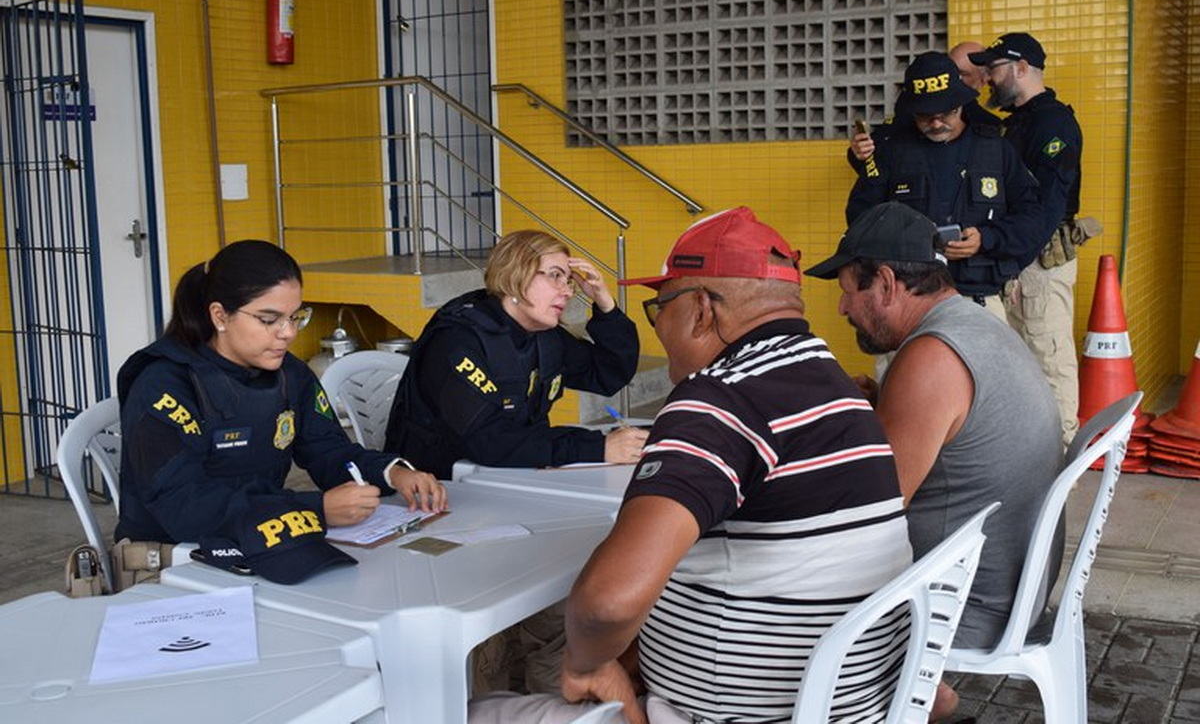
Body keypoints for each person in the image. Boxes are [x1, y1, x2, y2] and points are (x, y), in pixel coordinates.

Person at [469, 208, 913, 724]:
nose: (658, 325)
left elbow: (604, 605)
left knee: (464, 711)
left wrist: (588, 662)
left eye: (660, 307)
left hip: (735, 715)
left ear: (702, 310)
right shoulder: (835, 384)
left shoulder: (721, 400)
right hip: (850, 704)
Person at [806, 202, 1064, 664]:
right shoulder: (972, 324)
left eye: (847, 292)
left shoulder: (930, 358)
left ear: (885, 283)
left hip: (959, 606)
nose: (844, 307)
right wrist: (870, 407)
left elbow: (872, 511)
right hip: (1004, 587)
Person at [115, 240, 446, 586]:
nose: (287, 333)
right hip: (173, 559)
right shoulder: (164, 385)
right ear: (219, 315)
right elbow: (186, 507)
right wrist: (313, 511)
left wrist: (393, 473)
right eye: (269, 319)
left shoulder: (290, 375)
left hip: (261, 543)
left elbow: (328, 450)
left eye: (295, 317)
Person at [384, 230, 646, 479]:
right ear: (515, 275)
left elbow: (609, 373)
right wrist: (596, 447)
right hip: (439, 487)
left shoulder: (542, 333)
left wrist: (605, 304)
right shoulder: (458, 340)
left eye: (568, 281)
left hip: (508, 475)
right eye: (555, 276)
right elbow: (490, 441)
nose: (566, 291)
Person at [845, 50, 1043, 319]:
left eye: (946, 113)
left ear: (961, 104)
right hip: (908, 301)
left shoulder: (996, 149)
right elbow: (861, 218)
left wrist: (986, 239)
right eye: (925, 116)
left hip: (979, 299)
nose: (936, 123)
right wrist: (907, 245)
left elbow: (1032, 217)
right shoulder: (892, 151)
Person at [969, 32, 1092, 445]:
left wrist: (1005, 250)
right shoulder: (1017, 123)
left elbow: (1047, 206)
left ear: (1021, 69)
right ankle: (1030, 455)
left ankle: (1059, 460)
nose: (987, 77)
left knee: (1049, 356)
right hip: (1018, 261)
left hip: (1038, 260)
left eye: (994, 68)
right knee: (1023, 359)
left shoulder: (1053, 123)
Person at [847, 41, 1001, 179]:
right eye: (950, 70)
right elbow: (872, 158)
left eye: (962, 74)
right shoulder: (909, 116)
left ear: (984, 80)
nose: (951, 78)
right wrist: (860, 151)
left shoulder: (990, 127)